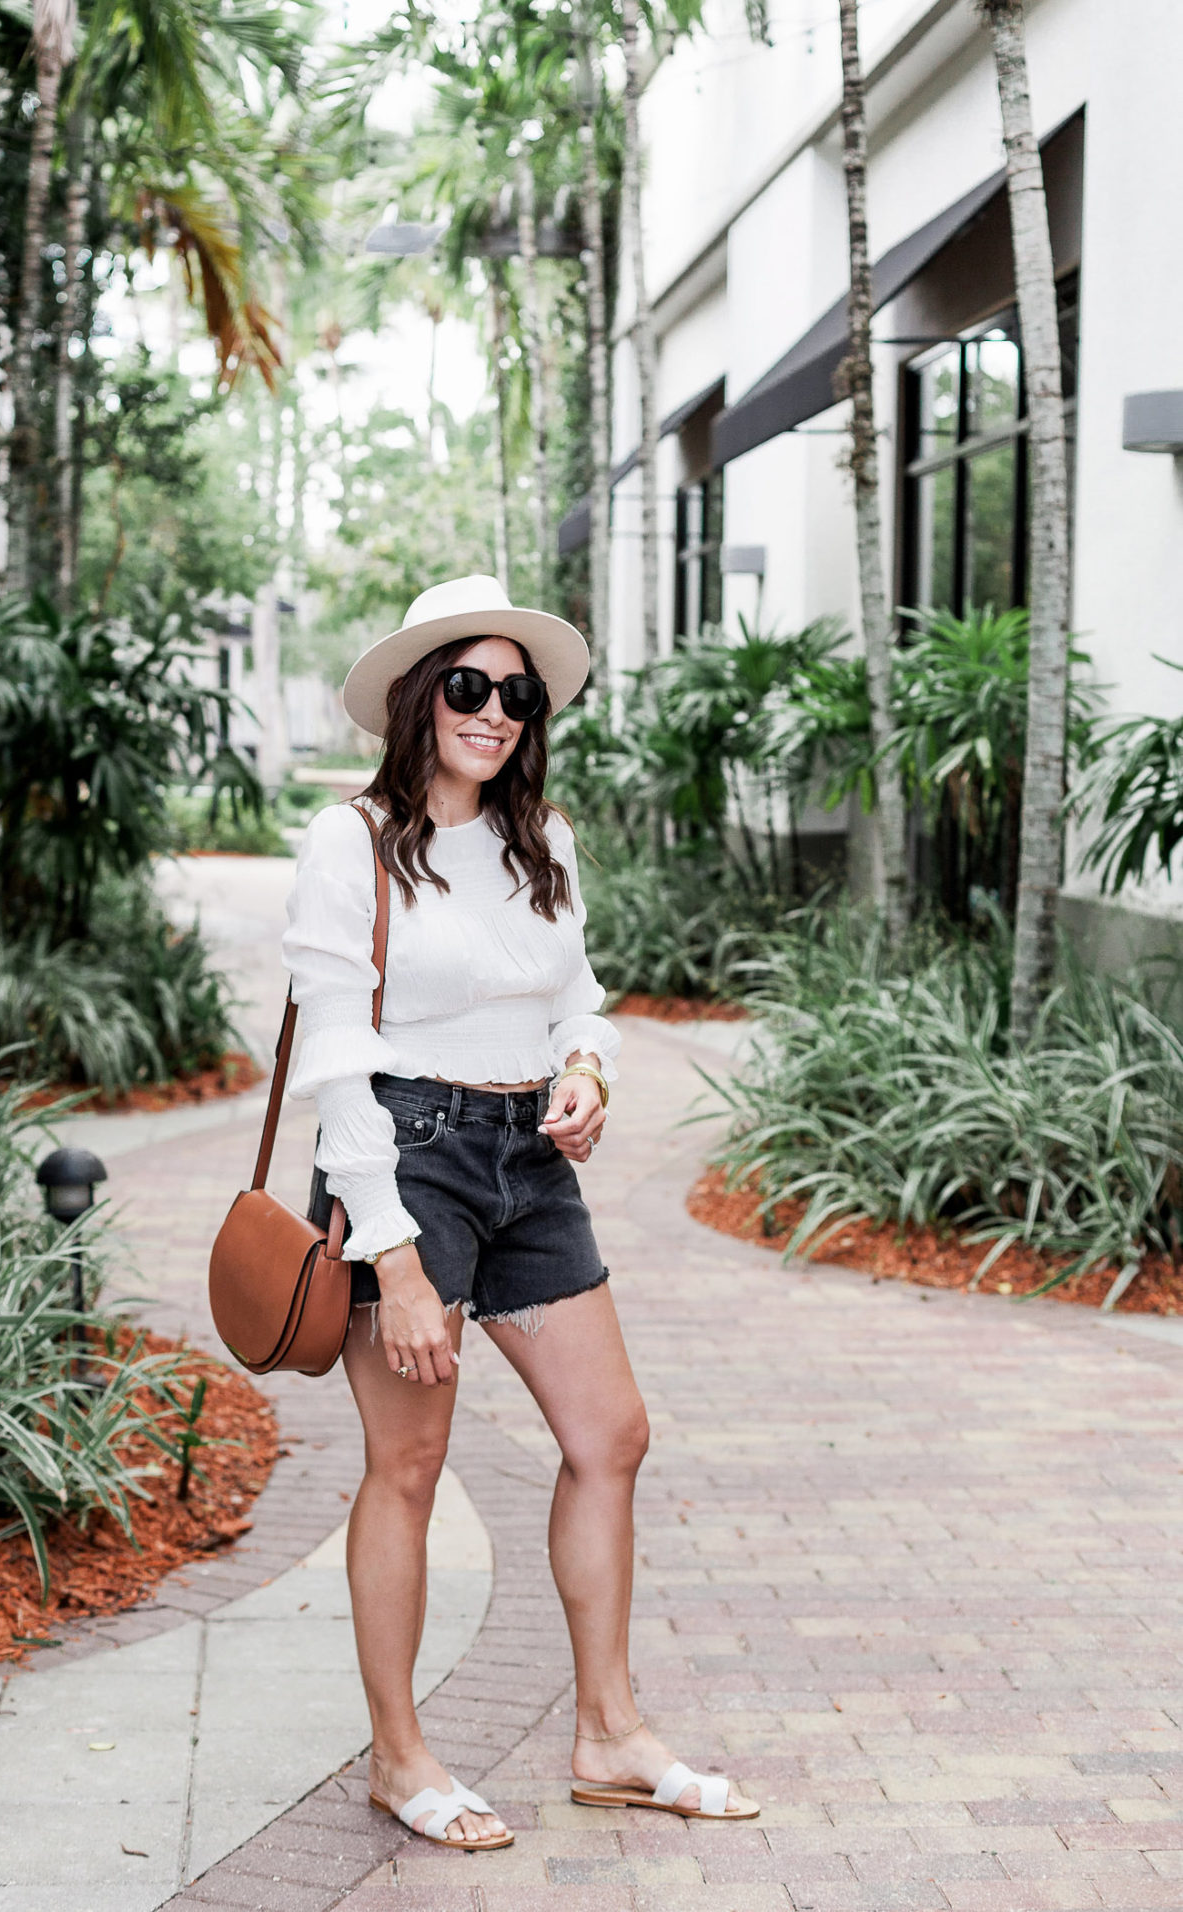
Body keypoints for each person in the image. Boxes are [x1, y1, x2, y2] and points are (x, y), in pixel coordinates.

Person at [282, 575, 758, 1851]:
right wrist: (393, 1259)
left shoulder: (537, 837)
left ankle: (608, 1731)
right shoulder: (351, 841)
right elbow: (336, 1056)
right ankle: (399, 1756)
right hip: (404, 1161)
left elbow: (575, 995)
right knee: (410, 1464)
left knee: (612, 1434)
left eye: (518, 693)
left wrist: (587, 1068)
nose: (494, 710)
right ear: (417, 697)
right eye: (469, 685)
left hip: (529, 1157)